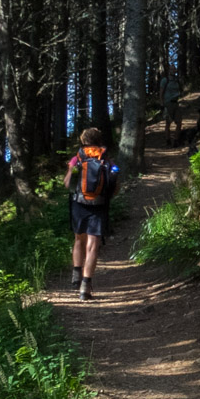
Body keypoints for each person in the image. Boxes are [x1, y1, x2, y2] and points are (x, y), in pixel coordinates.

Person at [64, 127, 119, 300]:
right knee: (93, 245)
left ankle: (76, 273)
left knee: (79, 239)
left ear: (83, 140)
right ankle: (85, 287)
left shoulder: (77, 159)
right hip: (99, 205)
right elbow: (114, 186)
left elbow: (67, 184)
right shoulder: (107, 161)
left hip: (79, 204)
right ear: (99, 141)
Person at [161, 69, 184, 147]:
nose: (174, 71)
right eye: (172, 69)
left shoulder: (177, 81)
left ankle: (176, 140)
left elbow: (180, 90)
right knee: (168, 123)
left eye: (174, 69)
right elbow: (161, 92)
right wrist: (162, 103)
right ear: (169, 71)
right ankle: (168, 141)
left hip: (176, 103)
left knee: (179, 122)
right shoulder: (165, 80)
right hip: (168, 103)